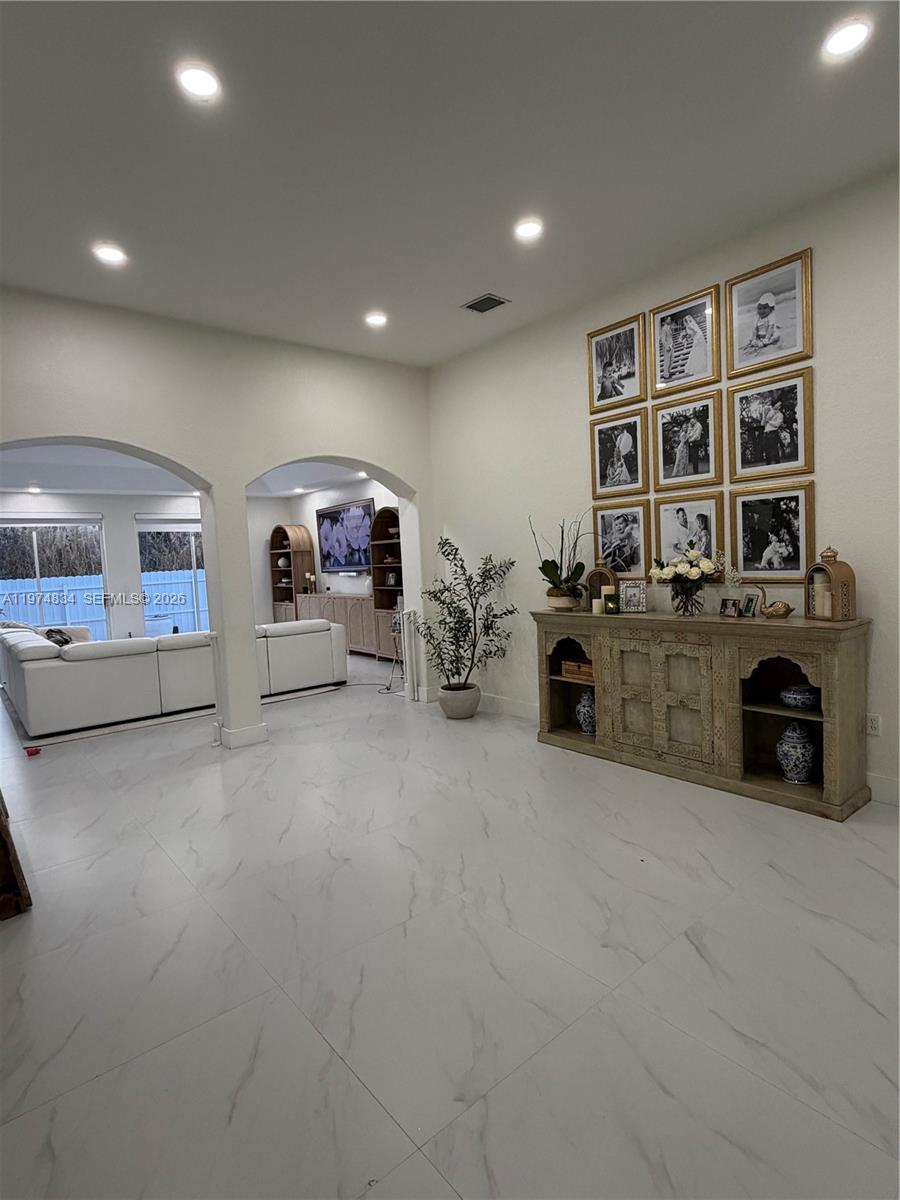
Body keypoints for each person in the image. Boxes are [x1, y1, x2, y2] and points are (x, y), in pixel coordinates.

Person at [742, 291, 782, 358]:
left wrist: (767, 338)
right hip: (759, 334)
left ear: (771, 309)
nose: (762, 311)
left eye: (765, 308)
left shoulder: (771, 316)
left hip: (769, 334)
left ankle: (767, 342)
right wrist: (754, 338)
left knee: (777, 335)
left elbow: (770, 328)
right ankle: (756, 342)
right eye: (760, 308)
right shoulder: (757, 317)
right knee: (750, 337)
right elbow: (755, 329)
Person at [683, 312, 708, 379]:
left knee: (695, 351)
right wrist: (687, 337)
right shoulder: (690, 325)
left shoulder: (689, 326)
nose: (684, 323)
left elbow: (695, 332)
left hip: (697, 339)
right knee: (697, 351)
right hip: (697, 338)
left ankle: (698, 366)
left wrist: (687, 337)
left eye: (684, 322)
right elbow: (693, 333)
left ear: (686, 322)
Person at [762, 399, 784, 465]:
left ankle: (777, 464)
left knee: (774, 450)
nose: (779, 405)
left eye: (780, 405)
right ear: (774, 404)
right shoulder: (769, 412)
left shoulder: (780, 415)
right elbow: (762, 424)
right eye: (778, 404)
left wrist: (769, 421)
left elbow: (777, 425)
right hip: (766, 433)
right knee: (766, 450)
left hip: (773, 433)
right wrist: (764, 416)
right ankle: (768, 465)